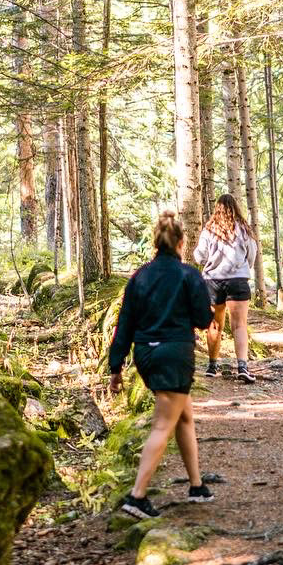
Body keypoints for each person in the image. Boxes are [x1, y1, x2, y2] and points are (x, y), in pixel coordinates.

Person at [108, 209, 216, 521]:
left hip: (146, 354)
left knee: (183, 416)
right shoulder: (188, 275)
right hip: (175, 354)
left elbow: (124, 324)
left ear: (156, 242)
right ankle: (137, 496)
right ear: (181, 243)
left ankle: (197, 486)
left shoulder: (140, 276)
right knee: (162, 425)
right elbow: (202, 319)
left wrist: (116, 368)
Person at [193, 193, 259, 385]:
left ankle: (212, 367)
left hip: (213, 281)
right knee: (239, 325)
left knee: (215, 325)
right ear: (235, 208)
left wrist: (211, 262)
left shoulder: (209, 230)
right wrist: (243, 267)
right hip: (238, 280)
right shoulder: (245, 229)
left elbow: (199, 256)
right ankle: (242, 367)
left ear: (217, 209)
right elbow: (252, 255)